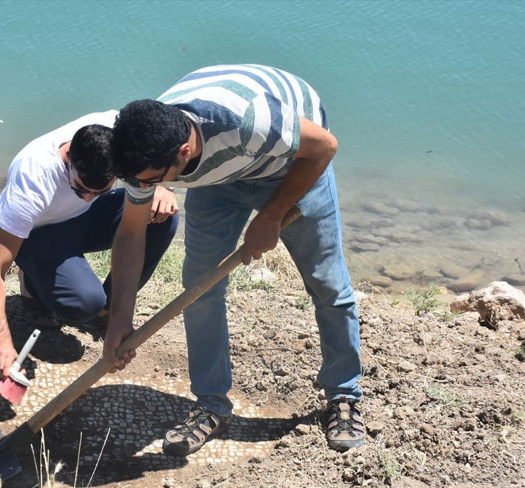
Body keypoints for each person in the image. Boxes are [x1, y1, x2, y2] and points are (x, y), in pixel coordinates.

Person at [104, 65, 365, 455]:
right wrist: (119, 319)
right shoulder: (143, 151)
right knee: (199, 289)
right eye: (138, 181)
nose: (144, 188)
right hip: (220, 179)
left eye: (151, 181)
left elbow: (325, 146)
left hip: (293, 163)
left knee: (327, 284)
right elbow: (130, 233)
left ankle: (343, 396)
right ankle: (211, 404)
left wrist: (272, 215)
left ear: (184, 152)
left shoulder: (250, 120)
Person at [0, 111, 179, 385]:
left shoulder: (121, 131)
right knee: (85, 302)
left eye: (98, 191)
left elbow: (162, 146)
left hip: (88, 220)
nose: (87, 197)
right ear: (70, 156)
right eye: (80, 188)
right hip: (40, 233)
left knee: (161, 217)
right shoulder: (33, 177)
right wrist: (1, 341)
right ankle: (34, 282)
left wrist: (158, 186)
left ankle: (107, 312)